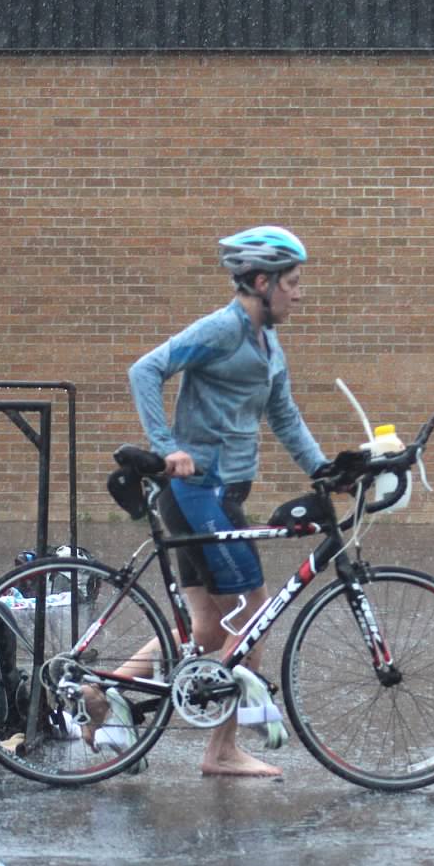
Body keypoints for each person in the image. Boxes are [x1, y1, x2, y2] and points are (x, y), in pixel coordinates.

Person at [97, 225, 329, 777]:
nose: (299, 294)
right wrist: (165, 447)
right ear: (261, 282)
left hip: (215, 497)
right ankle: (221, 749)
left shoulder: (267, 343)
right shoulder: (223, 329)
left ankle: (105, 693)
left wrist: (324, 470)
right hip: (199, 493)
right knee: (255, 614)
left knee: (207, 630)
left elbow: (284, 416)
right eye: (292, 283)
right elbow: (145, 369)